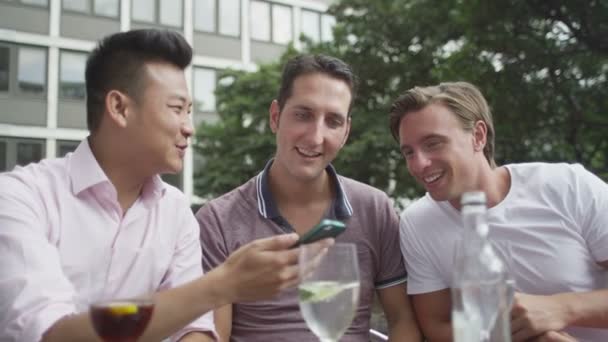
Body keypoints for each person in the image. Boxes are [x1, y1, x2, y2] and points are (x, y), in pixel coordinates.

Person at [0, 29, 332, 342]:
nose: (189, 129)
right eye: (177, 109)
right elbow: (51, 334)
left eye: (190, 111)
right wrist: (221, 285)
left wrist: (209, 300)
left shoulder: (175, 211)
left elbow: (196, 328)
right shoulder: (21, 198)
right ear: (119, 107)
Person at [196, 54, 422, 341]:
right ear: (275, 116)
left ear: (346, 132)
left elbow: (402, 320)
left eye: (333, 121)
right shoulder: (218, 220)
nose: (316, 137)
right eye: (303, 115)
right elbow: (211, 334)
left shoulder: (374, 209)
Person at [389, 81, 608, 341]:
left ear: (478, 136)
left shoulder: (568, 184)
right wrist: (524, 336)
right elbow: (437, 326)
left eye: (433, 143)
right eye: (409, 152)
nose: (419, 164)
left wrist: (560, 308)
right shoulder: (416, 224)